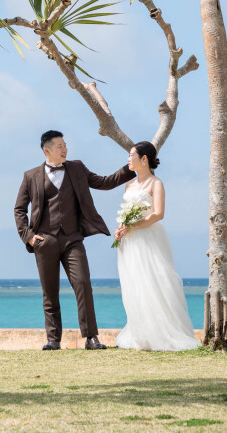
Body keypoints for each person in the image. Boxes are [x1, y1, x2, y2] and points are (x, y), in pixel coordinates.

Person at [14, 129, 134, 350]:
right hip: (44, 241)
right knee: (49, 292)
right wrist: (29, 237)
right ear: (46, 150)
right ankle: (53, 339)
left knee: (83, 284)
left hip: (72, 239)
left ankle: (91, 338)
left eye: (65, 145)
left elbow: (104, 182)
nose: (65, 149)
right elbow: (19, 209)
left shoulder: (77, 168)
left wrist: (132, 168)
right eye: (60, 146)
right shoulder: (30, 176)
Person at [114, 140, 198, 351]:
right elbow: (125, 212)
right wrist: (121, 228)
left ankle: (163, 332)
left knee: (155, 280)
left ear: (143, 159)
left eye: (131, 155)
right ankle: (141, 332)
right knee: (134, 283)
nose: (128, 160)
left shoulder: (156, 183)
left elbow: (158, 214)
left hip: (148, 238)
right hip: (129, 241)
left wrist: (134, 225)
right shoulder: (129, 184)